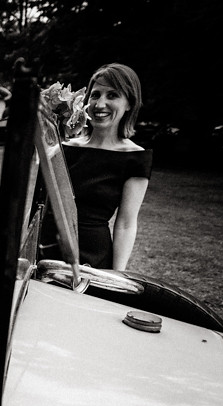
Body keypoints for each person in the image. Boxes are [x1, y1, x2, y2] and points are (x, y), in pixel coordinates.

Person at [48, 63, 152, 270]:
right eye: (95, 95)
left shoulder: (135, 158)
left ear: (129, 104)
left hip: (90, 259)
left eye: (112, 95)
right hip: (45, 247)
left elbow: (126, 223)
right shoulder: (62, 148)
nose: (100, 104)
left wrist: (116, 276)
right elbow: (40, 205)